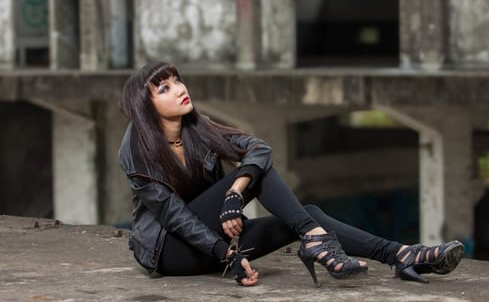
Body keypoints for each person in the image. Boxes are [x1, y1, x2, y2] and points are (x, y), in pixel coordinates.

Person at [118, 62, 464, 287]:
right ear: (145, 107)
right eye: (164, 88)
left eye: (177, 80)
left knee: (305, 215)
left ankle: (400, 255)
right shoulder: (137, 148)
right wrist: (230, 255)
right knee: (269, 182)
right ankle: (320, 241)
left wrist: (235, 194)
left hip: (214, 239)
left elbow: (259, 148)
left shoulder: (196, 126)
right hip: (172, 251)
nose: (179, 88)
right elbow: (174, 217)